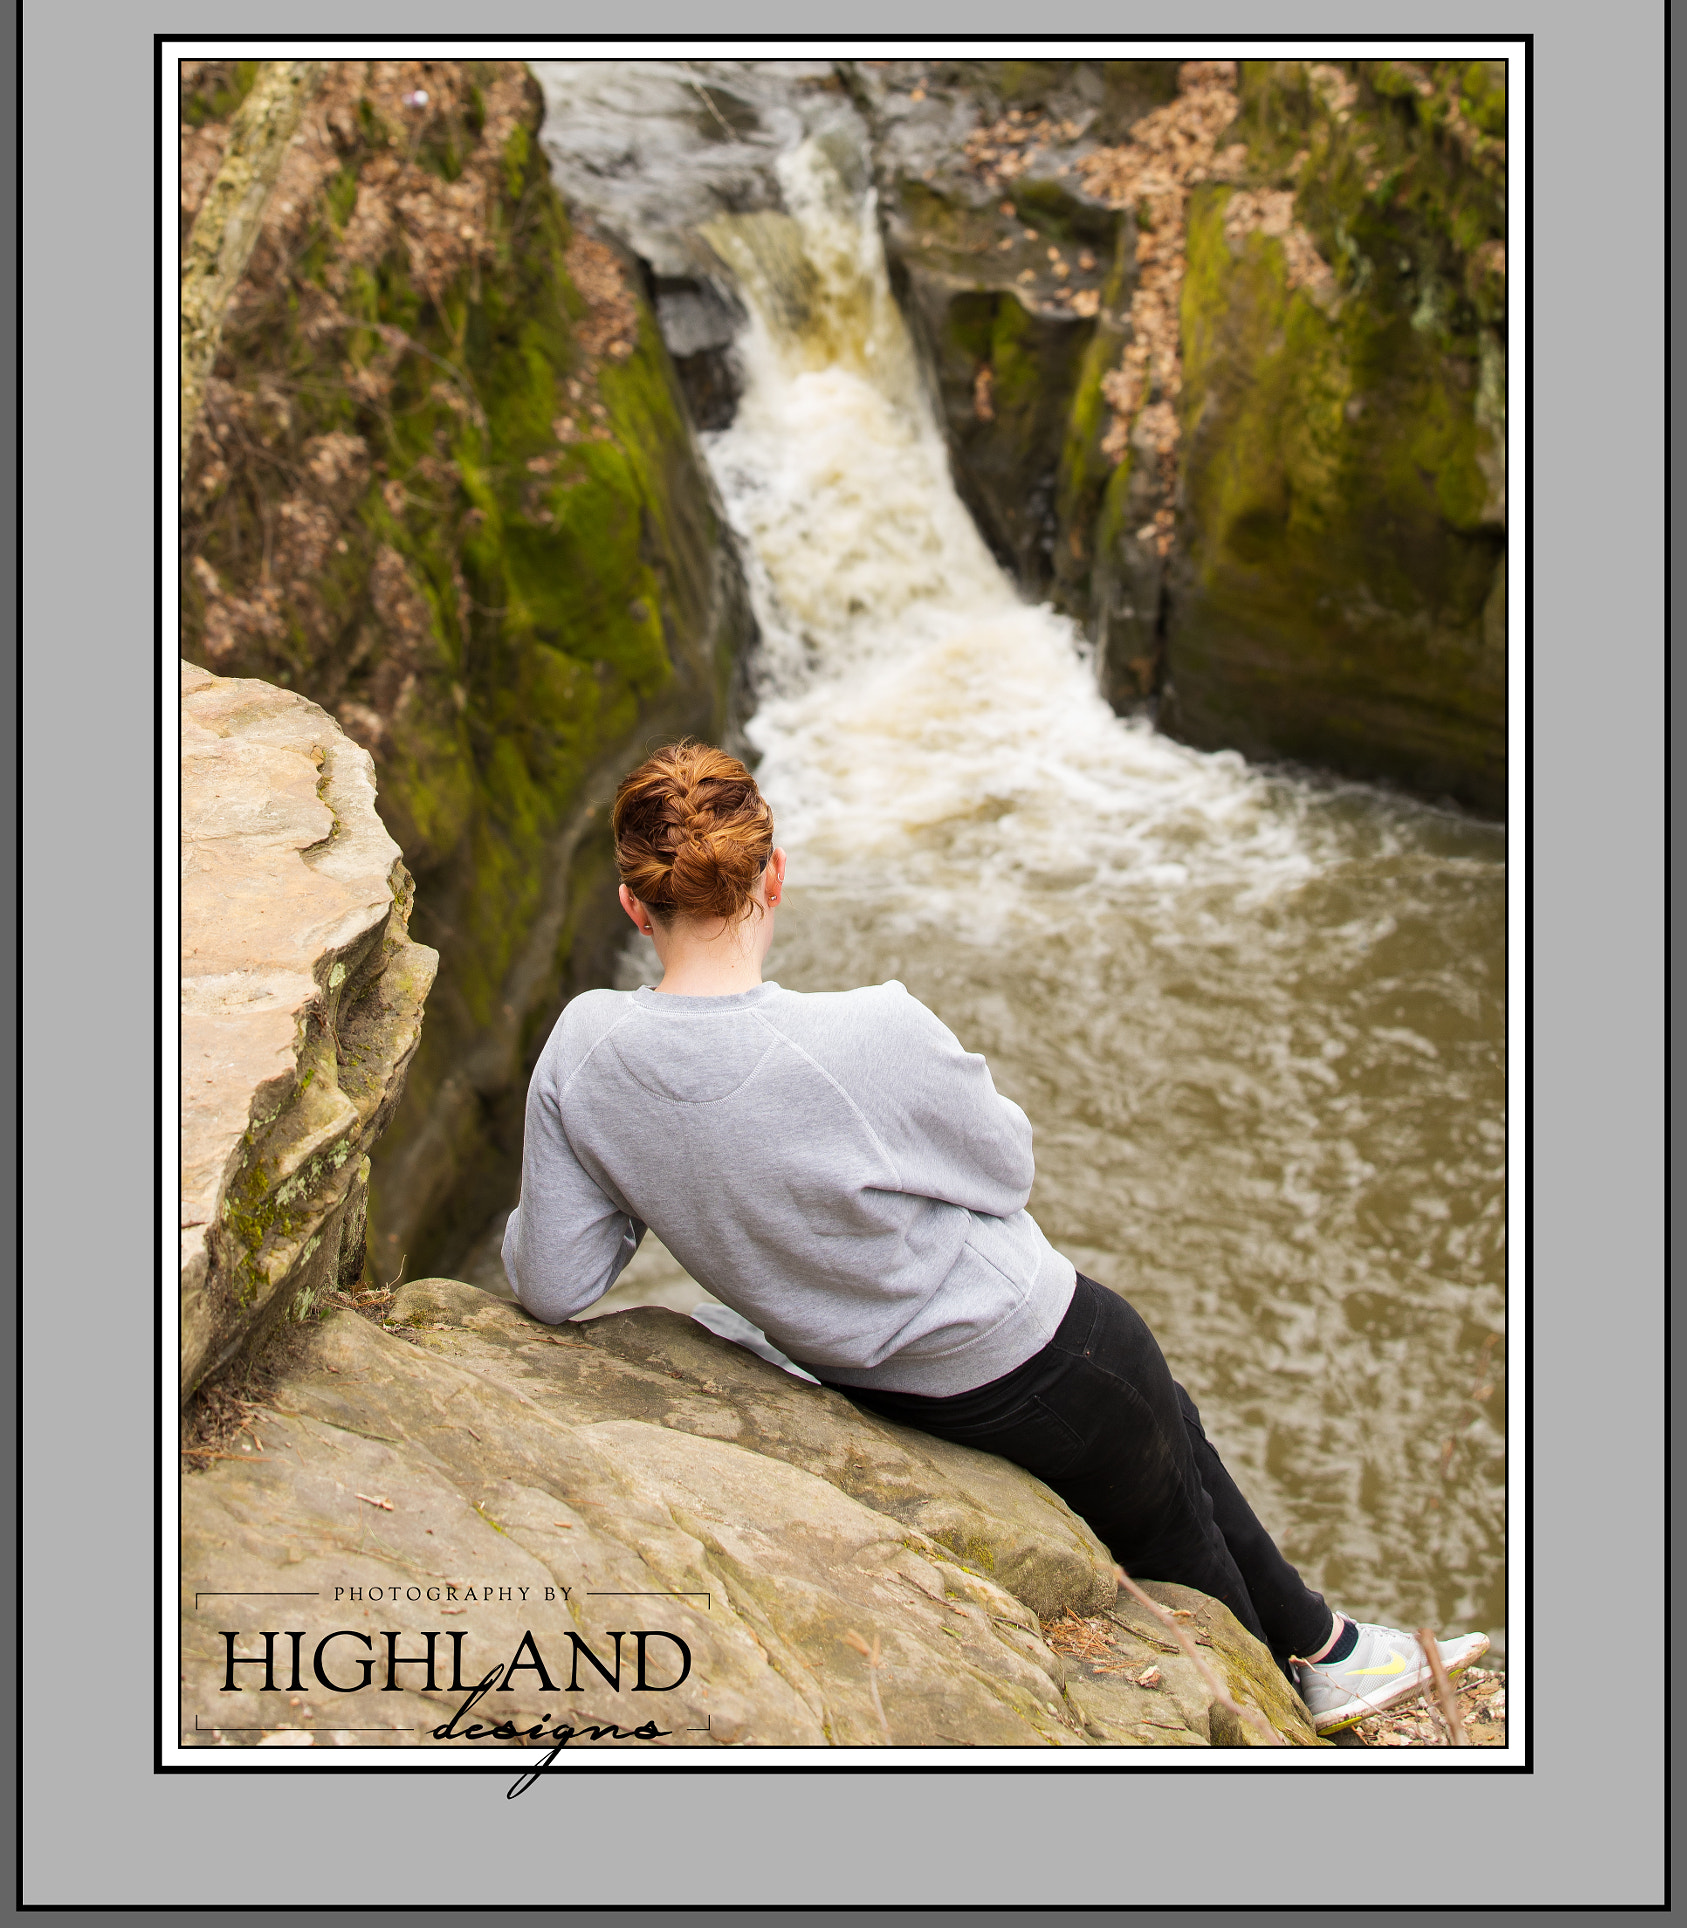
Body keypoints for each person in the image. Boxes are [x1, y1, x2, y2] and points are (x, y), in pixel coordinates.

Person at [502, 740, 1489, 1736]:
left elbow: (552, 1279)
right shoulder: (871, 1028)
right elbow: (1006, 1168)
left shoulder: (584, 1049)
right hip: (1049, 1357)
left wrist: (652, 1177)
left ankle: (1330, 1646)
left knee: (1180, 1445)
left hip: (875, 1379)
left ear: (635, 905)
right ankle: (1304, 1706)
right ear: (775, 875)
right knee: (1191, 1557)